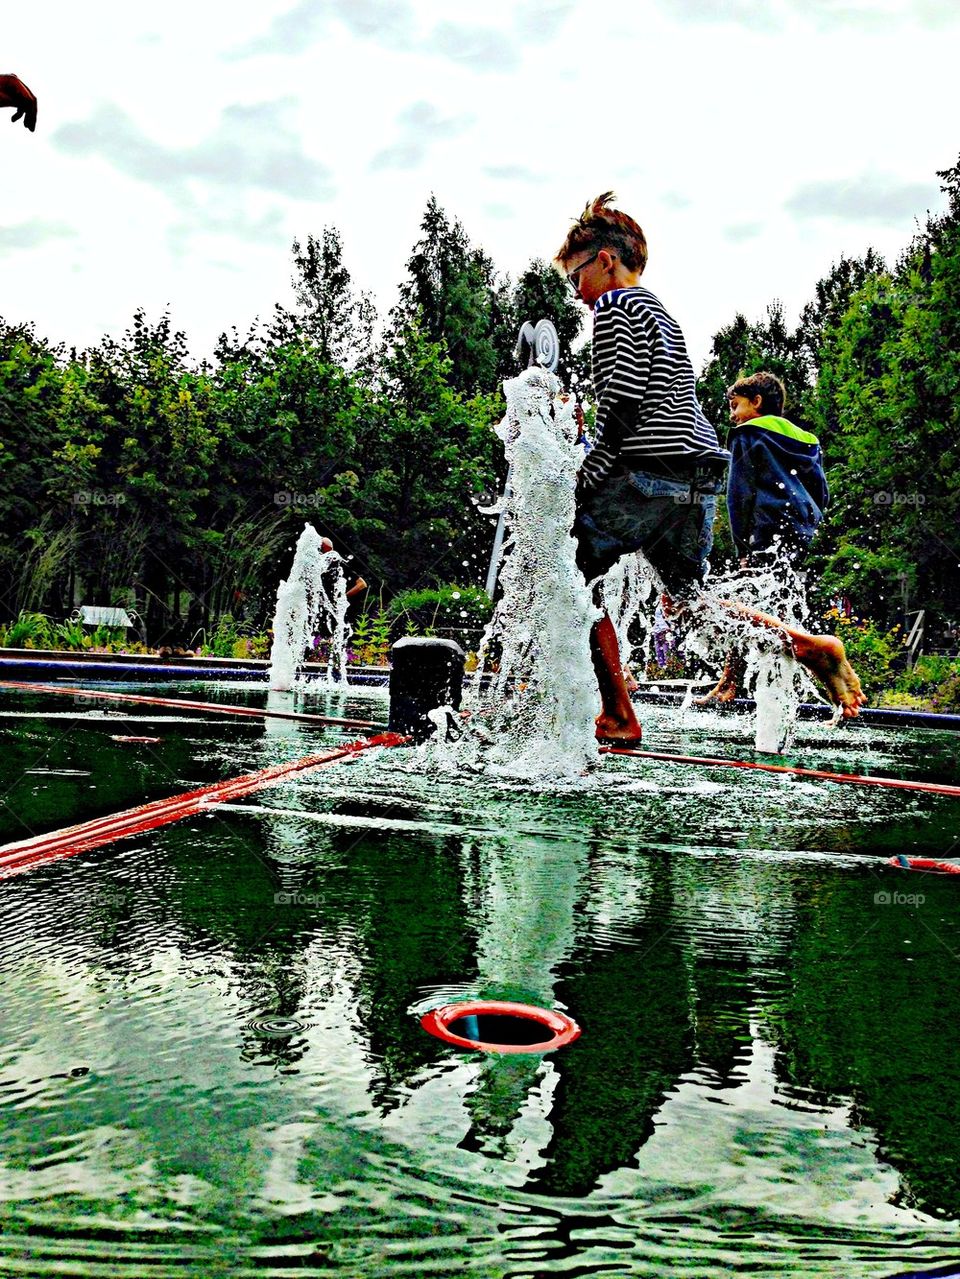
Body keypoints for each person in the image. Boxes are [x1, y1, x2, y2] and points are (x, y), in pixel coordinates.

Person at [553, 192, 865, 742]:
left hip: (646, 469)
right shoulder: (663, 315)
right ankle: (803, 642)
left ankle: (619, 715)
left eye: (577, 276)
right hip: (696, 474)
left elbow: (622, 400)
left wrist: (591, 470)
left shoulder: (615, 308)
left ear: (605, 260)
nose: (577, 293)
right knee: (692, 602)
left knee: (568, 578)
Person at [698, 371, 829, 704]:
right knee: (779, 598)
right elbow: (821, 491)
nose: (732, 415)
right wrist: (810, 518)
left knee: (747, 602)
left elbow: (739, 494)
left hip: (764, 528)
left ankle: (730, 683)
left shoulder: (748, 433)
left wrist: (742, 544)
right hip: (799, 529)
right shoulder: (806, 439)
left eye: (735, 405)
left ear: (756, 402)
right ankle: (783, 685)